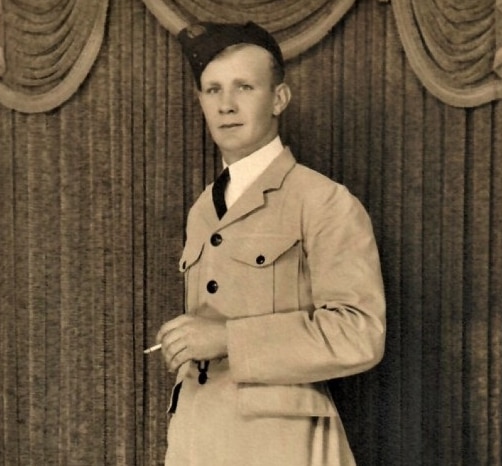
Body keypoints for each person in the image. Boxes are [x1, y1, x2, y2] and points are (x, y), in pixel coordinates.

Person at [154, 21, 386, 466]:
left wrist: (226, 339)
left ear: (279, 98)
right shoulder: (203, 209)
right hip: (197, 439)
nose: (226, 105)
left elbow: (360, 334)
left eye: (244, 87)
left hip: (280, 446)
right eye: (212, 90)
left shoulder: (323, 201)